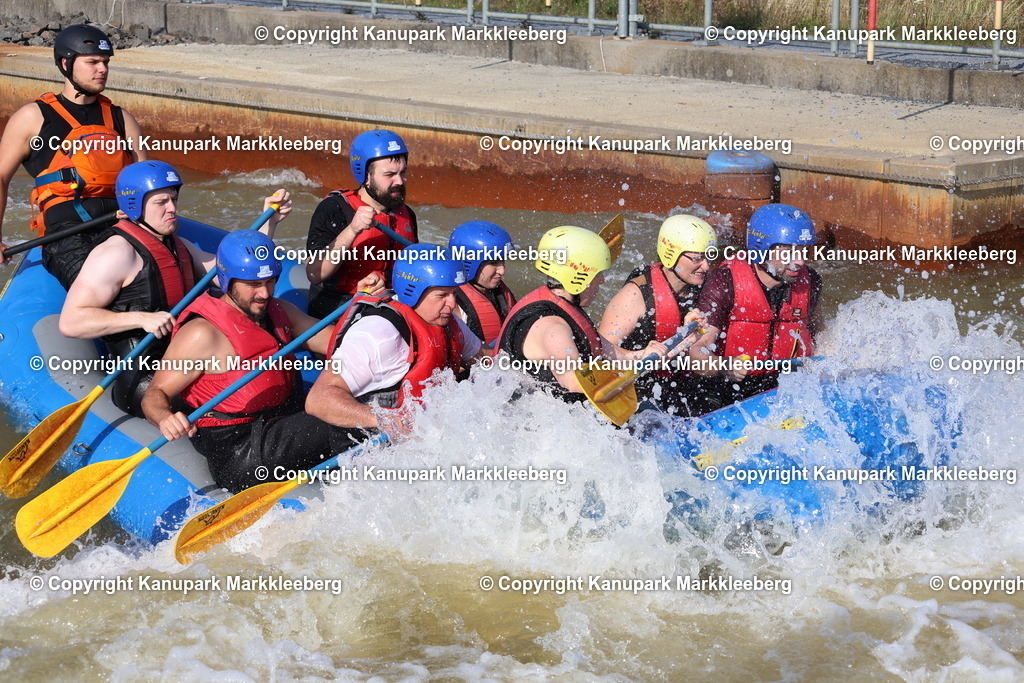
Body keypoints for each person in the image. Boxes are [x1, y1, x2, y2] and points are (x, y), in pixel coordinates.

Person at [141, 231, 384, 493]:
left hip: (281, 425)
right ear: (227, 280)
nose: (264, 293)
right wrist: (164, 417)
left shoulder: (280, 312)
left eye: (270, 282)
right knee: (347, 420)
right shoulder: (203, 334)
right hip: (242, 452)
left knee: (367, 397)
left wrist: (362, 304)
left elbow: (336, 343)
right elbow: (155, 393)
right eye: (253, 284)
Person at [58, 160, 290, 416]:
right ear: (134, 205)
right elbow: (71, 322)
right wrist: (141, 319)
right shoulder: (116, 253)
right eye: (161, 203)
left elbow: (234, 272)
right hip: (145, 380)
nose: (173, 209)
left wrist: (271, 223)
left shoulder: (178, 244)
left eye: (173, 199)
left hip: (188, 362)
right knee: (244, 404)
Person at [0, 24, 145, 285]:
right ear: (66, 63)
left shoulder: (121, 118)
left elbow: (145, 181)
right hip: (66, 235)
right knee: (117, 289)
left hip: (120, 226)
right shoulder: (33, 117)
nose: (103, 69)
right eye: (92, 62)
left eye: (105, 62)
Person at [306, 243, 483, 440]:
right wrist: (385, 419)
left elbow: (483, 359)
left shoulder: (448, 322)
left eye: (454, 294)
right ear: (412, 291)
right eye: (442, 295)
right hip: (362, 439)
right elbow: (318, 399)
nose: (452, 304)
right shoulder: (377, 334)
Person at [497, 225, 686, 404]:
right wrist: (628, 375)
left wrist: (647, 354)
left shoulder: (563, 305)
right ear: (579, 278)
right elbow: (572, 380)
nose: (602, 280)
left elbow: (612, 354)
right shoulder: (552, 327)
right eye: (597, 275)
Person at [690, 203, 822, 404]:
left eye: (803, 251)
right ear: (762, 249)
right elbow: (696, 352)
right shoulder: (724, 282)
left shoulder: (810, 281)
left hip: (787, 385)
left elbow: (820, 334)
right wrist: (724, 366)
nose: (800, 261)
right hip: (731, 390)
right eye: (789, 252)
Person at [599, 215, 720, 417]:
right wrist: (637, 357)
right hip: (641, 394)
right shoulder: (634, 296)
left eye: (709, 257)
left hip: (680, 389)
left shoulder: (702, 289)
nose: (706, 266)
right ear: (671, 255)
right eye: (698, 258)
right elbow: (600, 354)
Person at [304, 129, 418, 318]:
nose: (399, 181)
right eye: (389, 174)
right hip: (341, 308)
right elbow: (315, 273)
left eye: (403, 172)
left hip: (391, 304)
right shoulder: (335, 209)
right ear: (365, 176)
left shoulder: (407, 214)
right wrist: (352, 229)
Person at [447, 220, 517, 347]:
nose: (502, 271)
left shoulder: (498, 290)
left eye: (503, 261)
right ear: (470, 263)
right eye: (494, 262)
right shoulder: (451, 304)